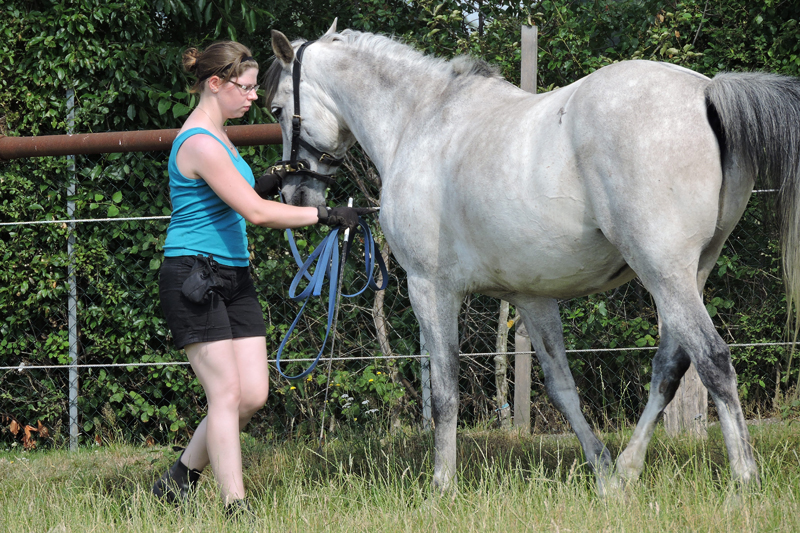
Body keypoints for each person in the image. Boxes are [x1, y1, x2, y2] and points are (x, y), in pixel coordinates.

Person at [152, 41, 366, 516]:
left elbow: (239, 194)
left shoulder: (221, 135)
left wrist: (269, 179)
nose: (252, 97)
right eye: (245, 88)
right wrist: (324, 214)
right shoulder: (200, 142)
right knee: (225, 394)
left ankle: (179, 479)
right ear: (215, 84)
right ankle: (234, 504)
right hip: (194, 274)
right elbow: (253, 212)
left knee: (252, 393)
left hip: (232, 273)